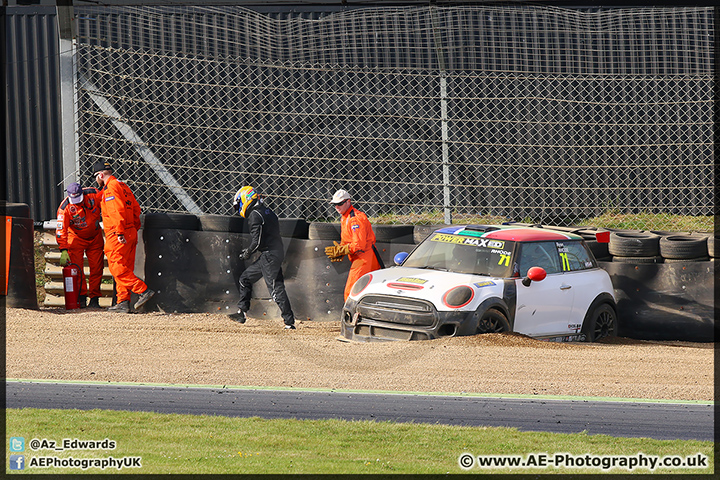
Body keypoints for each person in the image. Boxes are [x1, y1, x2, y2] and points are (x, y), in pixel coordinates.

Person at [230, 186, 296, 330]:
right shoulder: (268, 211)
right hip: (272, 253)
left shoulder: (255, 215)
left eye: (238, 205)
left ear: (245, 199)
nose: (238, 209)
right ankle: (242, 313)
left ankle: (289, 322)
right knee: (245, 279)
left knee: (275, 289)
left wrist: (247, 252)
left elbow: (257, 241)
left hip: (270, 255)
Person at [92, 161, 154, 313]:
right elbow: (135, 209)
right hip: (130, 231)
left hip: (117, 233)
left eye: (96, 177)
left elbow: (116, 211)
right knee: (125, 267)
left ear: (100, 175)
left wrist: (120, 232)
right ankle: (122, 302)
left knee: (117, 268)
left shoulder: (110, 188)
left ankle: (142, 290)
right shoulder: (123, 186)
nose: (96, 180)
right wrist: (132, 228)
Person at [325, 189, 384, 300]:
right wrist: (342, 249)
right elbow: (348, 239)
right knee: (365, 291)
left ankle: (351, 316)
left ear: (348, 202)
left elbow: (359, 245)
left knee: (351, 292)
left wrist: (343, 250)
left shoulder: (355, 219)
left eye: (340, 204)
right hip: (362, 257)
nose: (337, 207)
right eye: (335, 204)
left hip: (364, 258)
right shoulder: (345, 217)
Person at [55, 182, 104, 308]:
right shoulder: (64, 208)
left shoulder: (94, 194)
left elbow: (108, 206)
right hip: (76, 238)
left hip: (95, 237)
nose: (76, 202)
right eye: (74, 199)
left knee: (97, 269)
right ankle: (81, 298)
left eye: (78, 199)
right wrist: (63, 249)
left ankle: (94, 299)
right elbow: (61, 230)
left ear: (82, 193)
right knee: (76, 269)